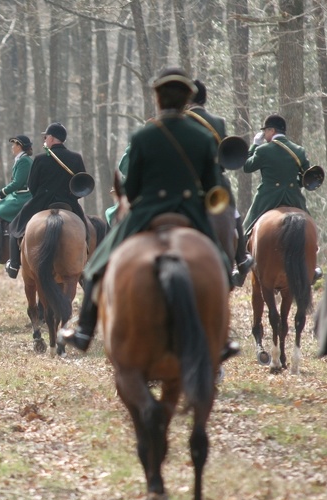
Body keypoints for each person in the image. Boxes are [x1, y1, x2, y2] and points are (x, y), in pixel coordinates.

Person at [68, 67, 231, 351]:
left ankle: (83, 331)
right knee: (221, 263)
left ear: (158, 99)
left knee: (96, 265)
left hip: (149, 211)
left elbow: (130, 189)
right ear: (187, 100)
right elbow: (213, 186)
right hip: (190, 212)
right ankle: (223, 338)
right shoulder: (203, 138)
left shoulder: (143, 136)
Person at [186, 79, 253, 285]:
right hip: (214, 183)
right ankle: (241, 259)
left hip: (186, 182)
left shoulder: (179, 120)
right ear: (204, 98)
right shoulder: (218, 121)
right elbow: (224, 154)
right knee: (233, 214)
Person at [242, 113, 322, 281]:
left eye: (265, 131)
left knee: (246, 229)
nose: (264, 135)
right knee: (311, 229)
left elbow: (247, 166)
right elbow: (305, 177)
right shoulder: (299, 150)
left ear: (271, 130)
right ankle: (314, 266)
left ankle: (241, 264)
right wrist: (292, 184)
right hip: (293, 197)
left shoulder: (263, 149)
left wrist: (255, 145)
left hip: (268, 197)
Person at [5, 122, 86, 278]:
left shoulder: (41, 158)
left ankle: (14, 265)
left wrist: (41, 195)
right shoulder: (76, 158)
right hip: (68, 202)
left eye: (46, 136)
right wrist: (71, 197)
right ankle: (87, 262)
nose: (44, 139)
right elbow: (81, 184)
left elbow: (32, 186)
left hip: (42, 202)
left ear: (53, 138)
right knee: (87, 231)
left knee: (15, 226)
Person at [0, 135, 33, 263]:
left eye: (13, 145)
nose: (12, 147)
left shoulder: (25, 161)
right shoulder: (20, 160)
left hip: (22, 197)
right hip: (16, 195)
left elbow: (17, 183)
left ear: (19, 146)